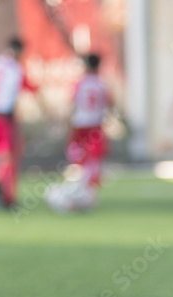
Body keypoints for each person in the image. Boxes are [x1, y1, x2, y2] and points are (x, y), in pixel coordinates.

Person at [0, 37, 37, 209]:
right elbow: (25, 89)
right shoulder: (15, 68)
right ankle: (5, 195)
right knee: (9, 157)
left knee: (3, 156)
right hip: (3, 116)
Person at [66, 53, 111, 196]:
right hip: (95, 124)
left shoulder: (79, 83)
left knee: (78, 157)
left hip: (79, 124)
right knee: (95, 157)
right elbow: (109, 103)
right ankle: (90, 188)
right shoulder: (102, 84)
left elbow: (72, 104)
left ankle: (79, 186)